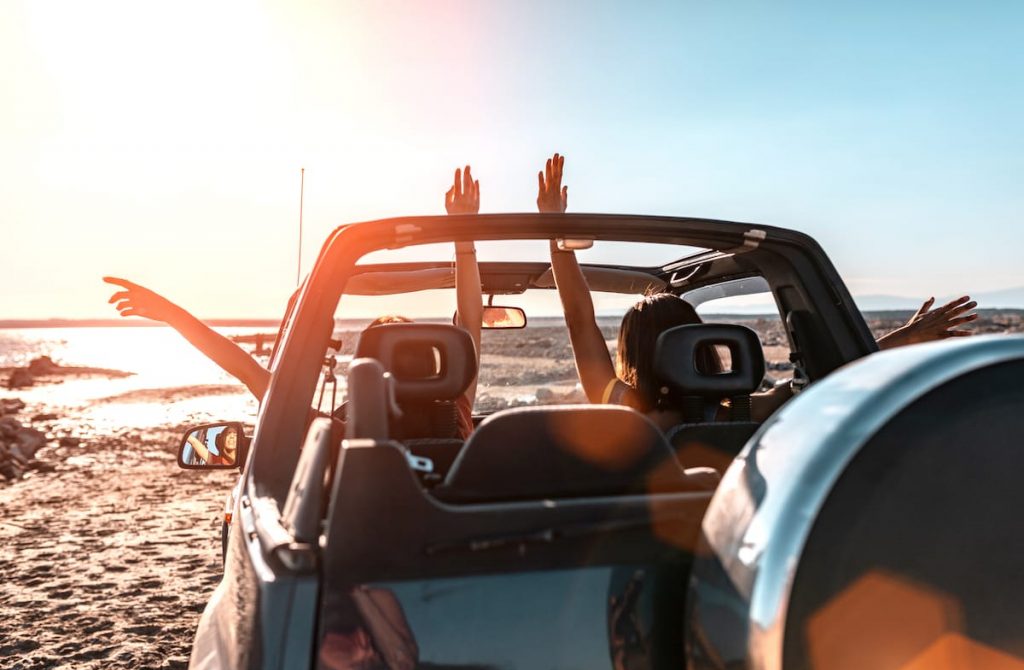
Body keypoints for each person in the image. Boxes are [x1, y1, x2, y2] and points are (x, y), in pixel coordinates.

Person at [539, 153, 978, 429]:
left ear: (630, 351)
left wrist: (554, 228)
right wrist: (905, 336)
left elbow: (580, 320)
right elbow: (830, 374)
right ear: (699, 345)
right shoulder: (744, 413)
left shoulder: (627, 410)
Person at [104, 165, 484, 436]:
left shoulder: (339, 436)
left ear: (369, 372)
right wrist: (463, 234)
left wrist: (170, 314)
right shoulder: (458, 420)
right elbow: (471, 321)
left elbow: (244, 368)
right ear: (434, 367)